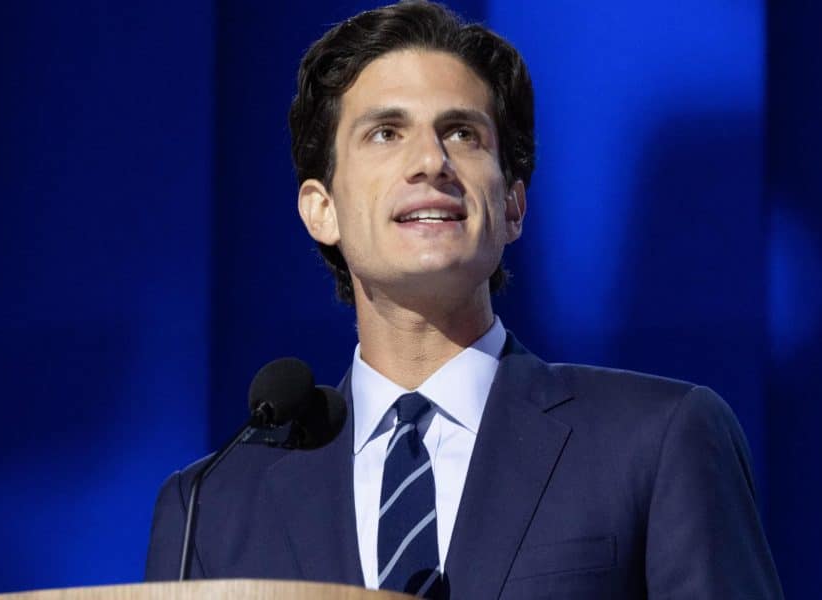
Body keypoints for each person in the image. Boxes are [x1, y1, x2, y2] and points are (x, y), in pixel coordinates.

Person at [145, 2, 784, 598]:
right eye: (385, 133)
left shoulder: (658, 438)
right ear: (322, 209)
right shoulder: (211, 503)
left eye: (462, 134)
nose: (430, 161)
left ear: (512, 205)